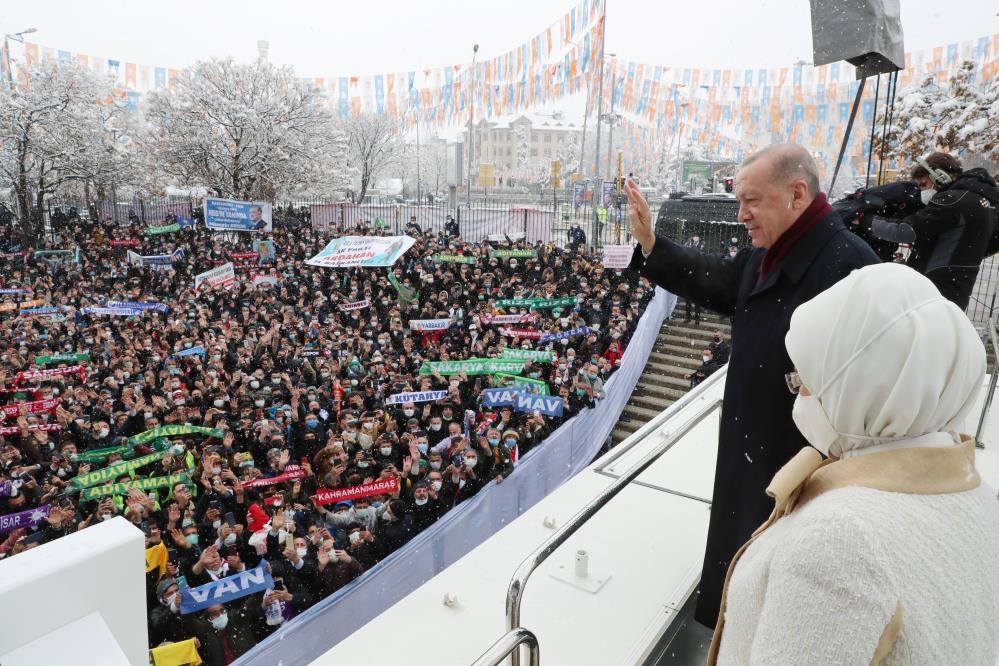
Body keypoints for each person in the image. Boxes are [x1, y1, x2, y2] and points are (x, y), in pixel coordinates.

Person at [624, 143, 880, 627]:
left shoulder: (851, 266)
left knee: (776, 602)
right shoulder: (773, 251)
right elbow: (716, 278)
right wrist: (653, 244)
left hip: (798, 471)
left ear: (797, 194)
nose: (740, 214)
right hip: (752, 456)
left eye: (751, 201)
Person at [710, 263, 999, 665]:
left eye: (807, 379)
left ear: (863, 385)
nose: (800, 392)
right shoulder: (979, 496)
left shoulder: (838, 544)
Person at [869, 152, 999, 310]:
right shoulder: (984, 201)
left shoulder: (953, 199)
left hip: (932, 293)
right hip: (956, 293)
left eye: (923, 184)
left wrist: (867, 221)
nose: (921, 191)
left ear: (940, 177)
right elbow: (978, 245)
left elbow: (904, 230)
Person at [682, 234, 705, 324]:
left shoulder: (702, 245)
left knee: (697, 301)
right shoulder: (688, 244)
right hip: (689, 279)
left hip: (697, 279)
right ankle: (688, 316)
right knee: (688, 301)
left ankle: (697, 317)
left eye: (697, 236)